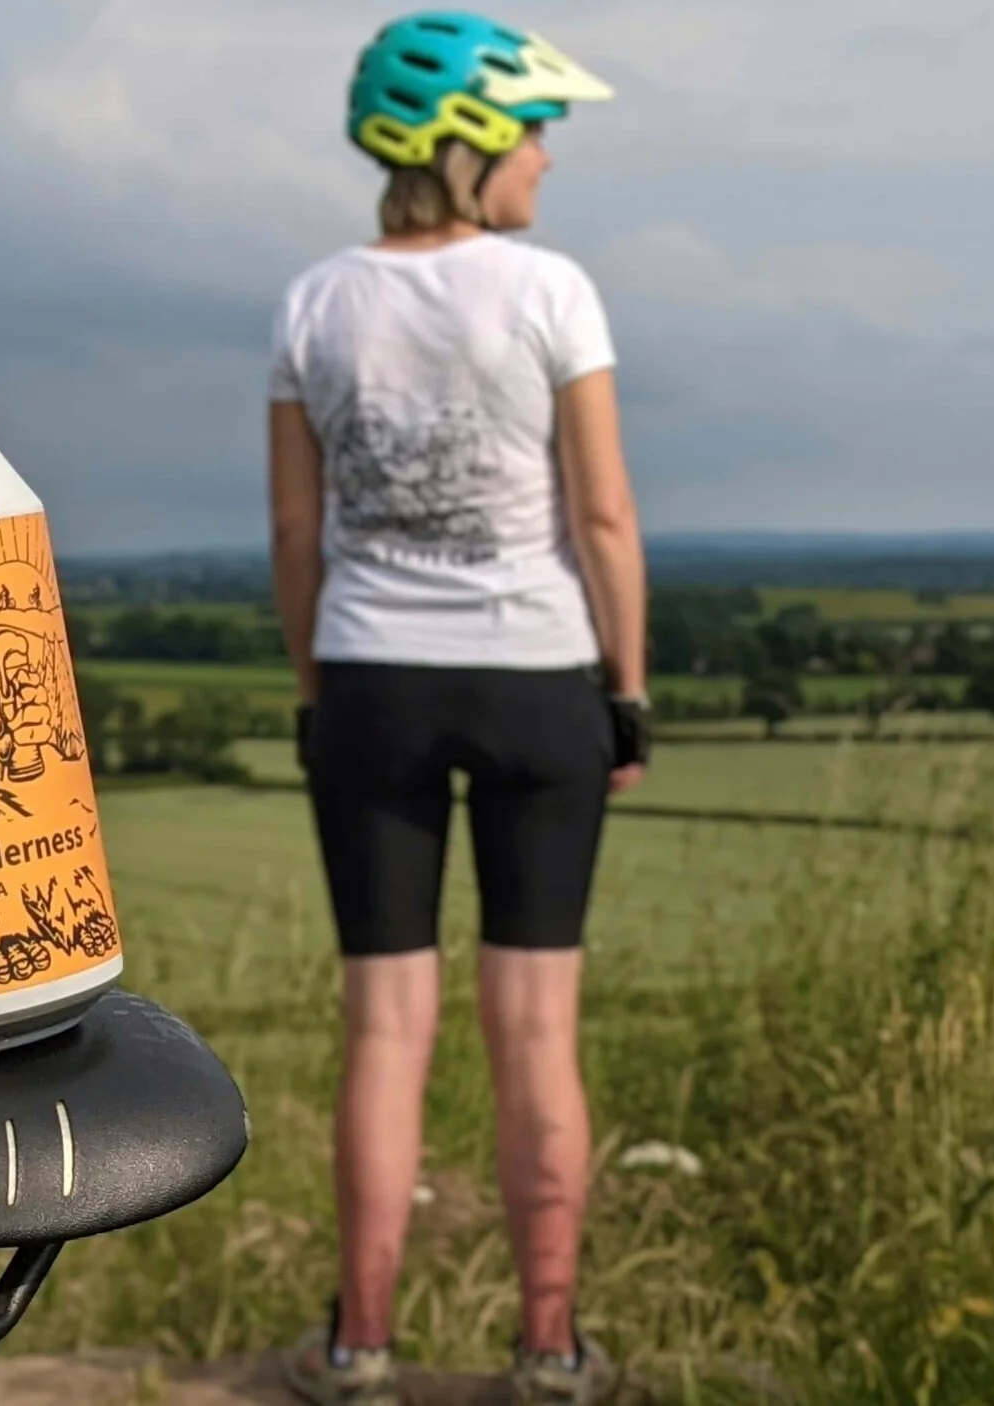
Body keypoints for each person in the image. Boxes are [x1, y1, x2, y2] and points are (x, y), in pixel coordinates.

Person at [265, 13, 650, 1406]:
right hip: (541, 676)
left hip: (370, 683)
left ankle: (359, 1343)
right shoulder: (553, 291)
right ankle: (550, 1349)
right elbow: (602, 514)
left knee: (385, 1028)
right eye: (530, 131)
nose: (545, 156)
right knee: (539, 1029)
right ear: (462, 143)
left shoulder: (313, 303)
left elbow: (296, 536)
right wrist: (628, 690)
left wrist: (316, 692)